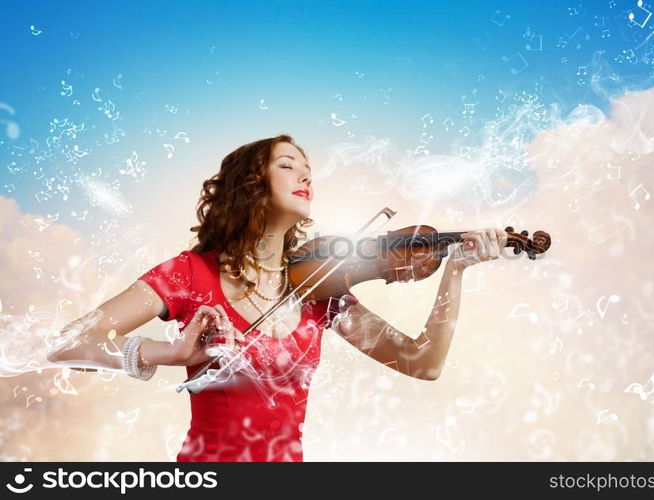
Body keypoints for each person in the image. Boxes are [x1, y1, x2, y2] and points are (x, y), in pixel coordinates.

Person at [46, 134, 508, 461]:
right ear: (250, 184)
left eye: (308, 171)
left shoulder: (320, 289)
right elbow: (68, 343)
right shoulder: (190, 273)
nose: (305, 176)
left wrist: (457, 270)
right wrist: (171, 352)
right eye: (287, 165)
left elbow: (421, 362)